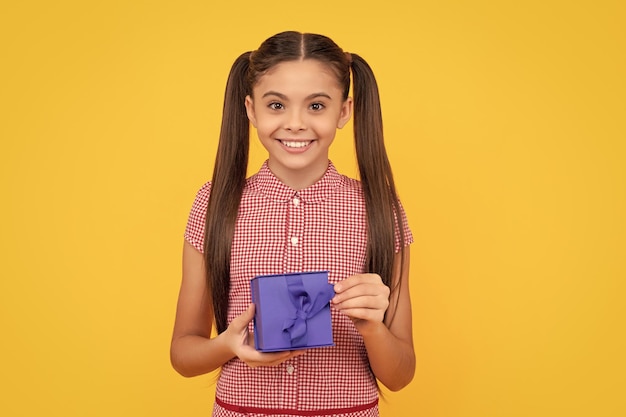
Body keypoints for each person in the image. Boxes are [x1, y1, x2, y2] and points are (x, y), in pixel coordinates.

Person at [171, 31, 415, 417]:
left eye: (317, 105)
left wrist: (372, 327)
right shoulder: (213, 203)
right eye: (276, 105)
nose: (296, 123)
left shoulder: (381, 210)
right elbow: (183, 354)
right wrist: (229, 345)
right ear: (251, 110)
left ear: (344, 111)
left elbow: (401, 374)